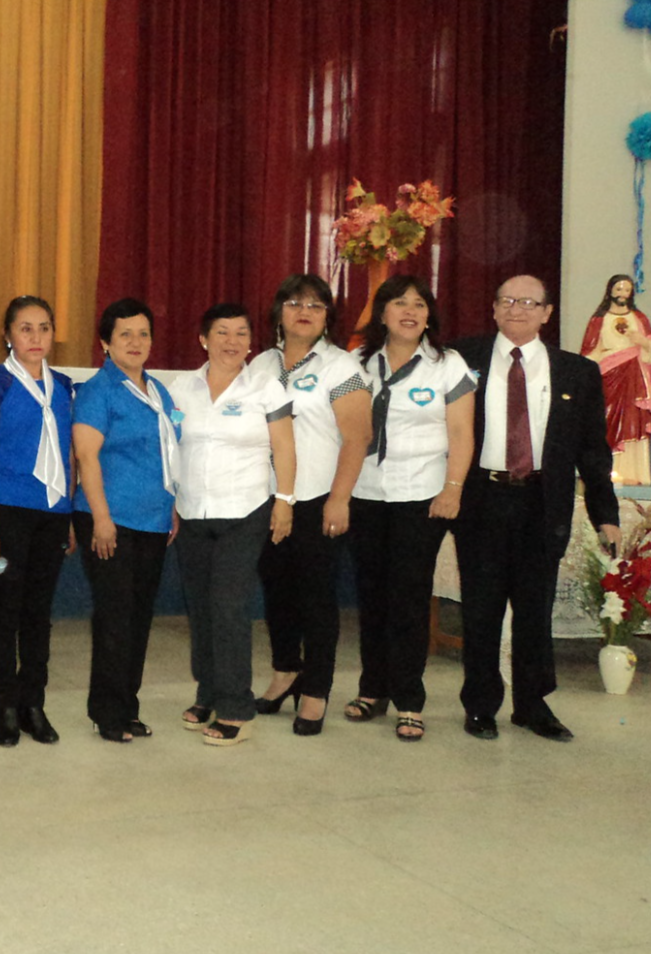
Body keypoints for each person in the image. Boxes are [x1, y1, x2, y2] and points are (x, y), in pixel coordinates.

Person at [453, 275, 618, 743]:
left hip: (543, 503)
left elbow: (593, 449)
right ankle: (480, 705)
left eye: (529, 302)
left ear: (547, 312)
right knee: (481, 608)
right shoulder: (462, 358)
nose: (516, 309)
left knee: (534, 609)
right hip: (482, 499)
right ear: (493, 308)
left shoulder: (577, 372)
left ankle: (532, 705)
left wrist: (606, 514)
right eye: (507, 300)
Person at [346, 276, 474, 742]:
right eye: (399, 303)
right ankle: (372, 689)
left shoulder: (447, 364)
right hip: (366, 492)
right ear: (381, 313)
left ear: (428, 315)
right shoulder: (358, 364)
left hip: (421, 495)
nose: (409, 311)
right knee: (372, 596)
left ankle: (409, 699)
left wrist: (453, 488)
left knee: (408, 598)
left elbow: (461, 433)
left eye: (419, 304)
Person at [248, 275, 372, 736]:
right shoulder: (259, 364)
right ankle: (285, 672)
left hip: (318, 498)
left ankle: (316, 690)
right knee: (276, 591)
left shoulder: (341, 366)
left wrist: (340, 498)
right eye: (295, 303)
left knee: (316, 598)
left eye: (316, 306)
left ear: (327, 317)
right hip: (265, 499)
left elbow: (357, 437)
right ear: (278, 311)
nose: (304, 312)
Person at [168, 302, 295, 747]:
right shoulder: (181, 389)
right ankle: (208, 691)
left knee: (228, 606)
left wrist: (285, 501)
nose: (232, 341)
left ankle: (237, 707)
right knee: (201, 608)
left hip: (246, 510)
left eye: (241, 333)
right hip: (192, 511)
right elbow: (171, 447)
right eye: (222, 332)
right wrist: (170, 500)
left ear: (251, 343)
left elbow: (285, 447)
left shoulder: (266, 387)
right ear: (203, 339)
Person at [71, 298, 180, 742]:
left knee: (138, 618)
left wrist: (172, 507)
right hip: (109, 519)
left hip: (153, 521)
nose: (136, 342)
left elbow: (167, 454)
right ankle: (107, 712)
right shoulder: (99, 391)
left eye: (143, 333)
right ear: (105, 343)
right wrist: (101, 518)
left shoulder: (159, 392)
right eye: (125, 334)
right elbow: (86, 456)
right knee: (115, 618)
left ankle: (127, 706)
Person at [0, 295, 74, 747]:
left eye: (44, 328)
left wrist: (69, 515)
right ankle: (6, 705)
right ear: (8, 335)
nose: (36, 337)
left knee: (39, 613)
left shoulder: (65, 387)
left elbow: (69, 455)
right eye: (25, 328)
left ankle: (34, 703)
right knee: (4, 610)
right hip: (7, 512)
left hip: (52, 514)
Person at [579, 274, 651, 484]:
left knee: (633, 420)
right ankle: (605, 472)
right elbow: (591, 351)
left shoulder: (639, 318)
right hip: (608, 375)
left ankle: (635, 473)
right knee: (606, 420)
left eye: (626, 290)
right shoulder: (599, 320)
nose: (622, 294)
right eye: (618, 289)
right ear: (610, 290)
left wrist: (642, 342)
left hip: (634, 377)